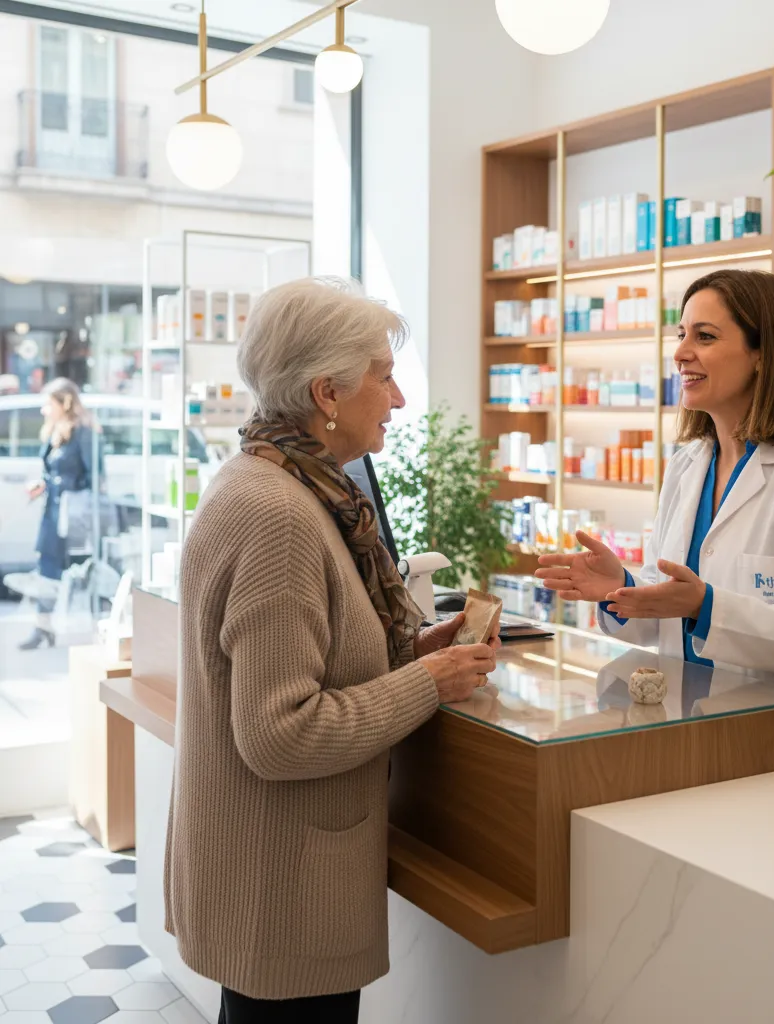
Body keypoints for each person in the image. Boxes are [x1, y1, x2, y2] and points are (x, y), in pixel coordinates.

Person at [165, 277, 499, 1024]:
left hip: (266, 879)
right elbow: (281, 735)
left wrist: (416, 653)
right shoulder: (281, 516)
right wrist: (430, 683)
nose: (399, 400)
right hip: (281, 886)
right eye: (384, 377)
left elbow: (311, 651)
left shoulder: (279, 482)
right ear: (327, 394)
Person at [537, 269, 774, 680]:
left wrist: (706, 606)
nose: (680, 353)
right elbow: (666, 618)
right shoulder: (687, 465)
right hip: (690, 724)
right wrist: (620, 588)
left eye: (705, 336)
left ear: (763, 354)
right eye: (681, 334)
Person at [19, 378, 100, 650]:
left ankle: (93, 628)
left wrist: (65, 487)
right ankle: (43, 627)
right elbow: (50, 471)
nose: (44, 410)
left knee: (82, 570)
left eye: (48, 403)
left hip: (74, 516)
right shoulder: (56, 432)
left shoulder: (84, 432)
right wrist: (43, 483)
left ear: (63, 403)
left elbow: (96, 477)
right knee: (47, 570)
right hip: (54, 513)